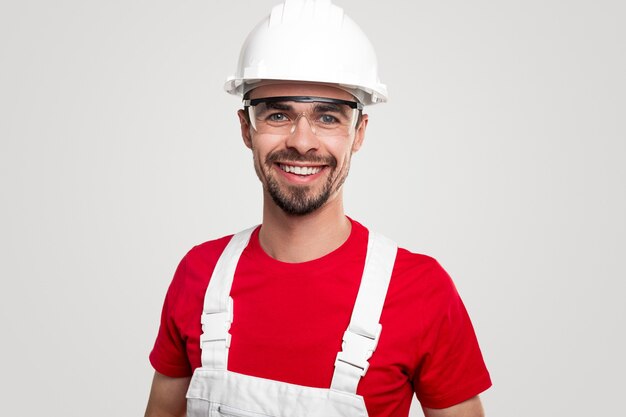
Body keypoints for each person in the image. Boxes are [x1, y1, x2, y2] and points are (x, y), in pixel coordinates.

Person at [145, 1, 491, 416]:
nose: (302, 141)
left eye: (328, 117)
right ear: (245, 128)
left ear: (358, 133)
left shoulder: (421, 291)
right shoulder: (199, 277)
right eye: (277, 114)